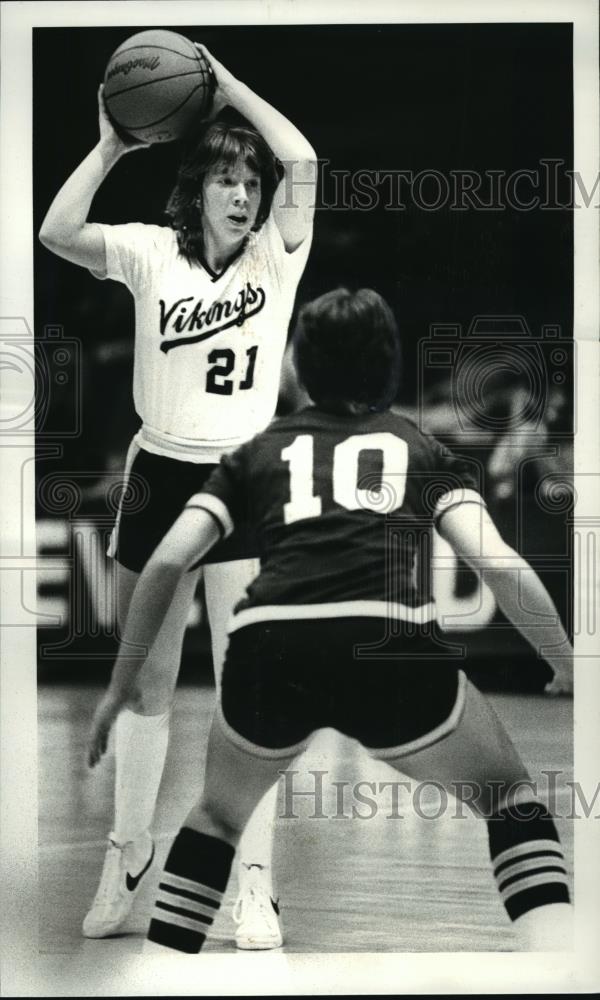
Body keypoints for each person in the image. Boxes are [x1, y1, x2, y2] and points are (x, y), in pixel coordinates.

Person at [88, 287, 573, 954]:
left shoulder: (255, 454)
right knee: (509, 796)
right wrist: (567, 662)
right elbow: (501, 566)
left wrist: (120, 685)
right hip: (386, 648)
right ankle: (560, 958)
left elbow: (168, 562)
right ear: (388, 366)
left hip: (272, 649)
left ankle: (164, 966)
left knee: (217, 818)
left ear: (297, 368)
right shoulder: (417, 447)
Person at [39, 42, 317, 947]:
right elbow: (56, 231)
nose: (244, 194)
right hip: (161, 476)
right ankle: (127, 851)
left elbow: (303, 160)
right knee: (148, 679)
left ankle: (256, 882)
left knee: (252, 688)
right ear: (196, 190)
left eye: (250, 181)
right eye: (227, 180)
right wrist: (114, 146)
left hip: (245, 479)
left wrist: (222, 84)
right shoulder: (151, 252)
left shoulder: (278, 256)